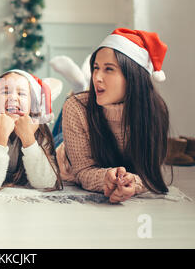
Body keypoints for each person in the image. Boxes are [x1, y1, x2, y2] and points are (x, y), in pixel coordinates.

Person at [56, 28, 170, 203]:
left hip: (87, 127)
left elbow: (151, 173)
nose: (98, 77)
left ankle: (80, 86)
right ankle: (78, 87)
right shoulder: (76, 107)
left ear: (133, 77)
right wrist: (105, 179)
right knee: (53, 137)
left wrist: (133, 183)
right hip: (65, 153)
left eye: (108, 69)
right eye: (95, 68)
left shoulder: (155, 111)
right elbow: (82, 171)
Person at [0, 69, 62, 192]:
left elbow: (45, 183)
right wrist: (0, 136)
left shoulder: (40, 129)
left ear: (32, 104)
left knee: (62, 138)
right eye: (5, 92)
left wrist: (29, 139)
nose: (12, 98)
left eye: (22, 94)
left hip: (52, 140)